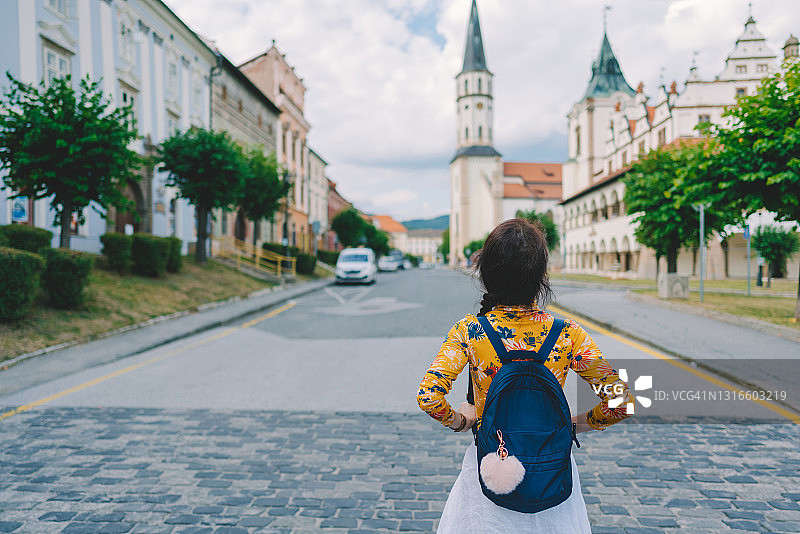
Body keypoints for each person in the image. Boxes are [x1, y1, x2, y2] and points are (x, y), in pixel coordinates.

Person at [417, 218, 632, 533]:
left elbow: (429, 397)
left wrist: (463, 420)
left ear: (486, 273)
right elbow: (621, 402)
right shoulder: (568, 333)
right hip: (551, 472)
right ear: (541, 275)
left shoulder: (470, 331)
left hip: (491, 468)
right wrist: (572, 425)